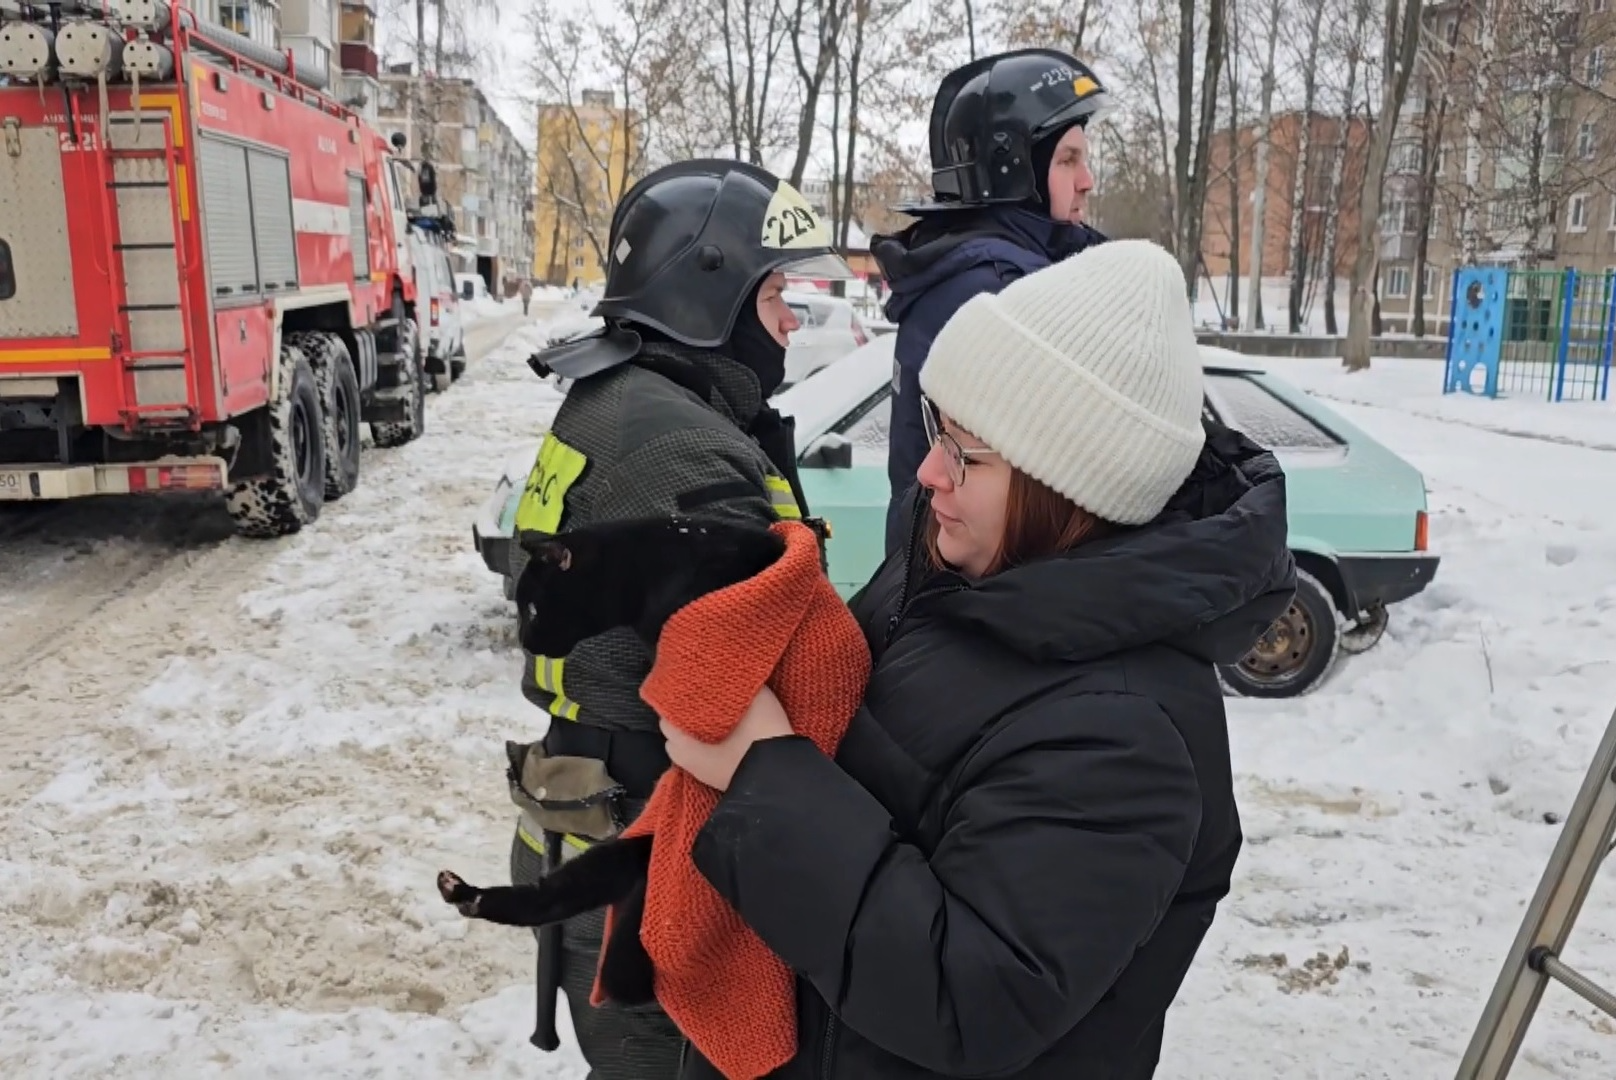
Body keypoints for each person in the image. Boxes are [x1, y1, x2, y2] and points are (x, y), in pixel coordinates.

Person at [660, 239, 1298, 1078]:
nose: (928, 472)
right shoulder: (960, 572)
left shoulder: (1126, 736)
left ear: (1070, 489)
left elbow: (973, 997)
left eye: (968, 451)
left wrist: (762, 776)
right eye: (937, 430)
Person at [505, 158, 854, 1080]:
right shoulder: (676, 443)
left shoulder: (622, 400)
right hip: (651, 864)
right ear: (713, 292)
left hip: (596, 821)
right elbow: (751, 685)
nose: (790, 319)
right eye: (776, 293)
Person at [871, 47, 1114, 555]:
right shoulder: (998, 287)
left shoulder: (970, 267)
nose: (1087, 180)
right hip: (980, 586)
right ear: (1014, 170)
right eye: (1069, 160)